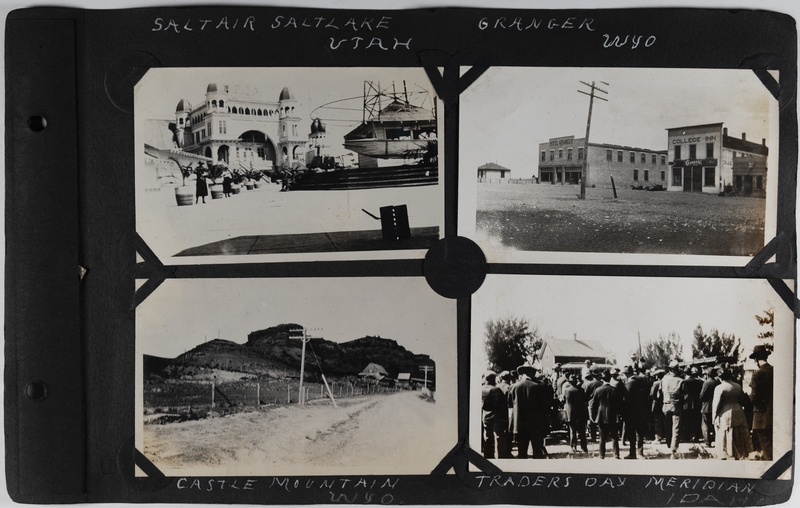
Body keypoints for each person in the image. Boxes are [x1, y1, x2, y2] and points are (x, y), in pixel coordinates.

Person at [507, 364, 551, 458]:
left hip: (520, 425)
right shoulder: (538, 387)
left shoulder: (513, 387)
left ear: (522, 373)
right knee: (537, 453)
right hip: (535, 425)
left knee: (522, 452)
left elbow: (510, 405)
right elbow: (544, 406)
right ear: (531, 373)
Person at [713, 366, 753, 460]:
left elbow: (716, 404)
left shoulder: (719, 387)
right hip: (738, 410)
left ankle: (726, 453)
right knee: (739, 430)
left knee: (727, 430)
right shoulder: (738, 386)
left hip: (725, 411)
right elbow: (742, 400)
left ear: (720, 377)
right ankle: (740, 452)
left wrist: (714, 417)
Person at [589, 370, 625, 459]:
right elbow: (620, 404)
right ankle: (616, 454)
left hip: (601, 415)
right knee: (614, 436)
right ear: (610, 379)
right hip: (613, 415)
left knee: (602, 437)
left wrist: (593, 416)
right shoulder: (614, 390)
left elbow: (593, 405)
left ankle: (601, 455)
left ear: (602, 379)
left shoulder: (597, 390)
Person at [749, 345, 773, 460]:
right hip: (774, 415)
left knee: (766, 450)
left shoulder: (757, 374)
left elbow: (754, 398)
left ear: (756, 359)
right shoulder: (774, 371)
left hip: (761, 417)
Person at [623, 365, 648, 459]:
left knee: (632, 433)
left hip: (631, 412)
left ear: (626, 374)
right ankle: (640, 452)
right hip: (640, 410)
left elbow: (627, 398)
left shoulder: (630, 383)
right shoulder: (640, 380)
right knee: (640, 433)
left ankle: (633, 453)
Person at [481, 372, 509, 459]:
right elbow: (502, 405)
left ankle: (488, 456)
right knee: (499, 438)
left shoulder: (481, 389)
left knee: (488, 437)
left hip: (485, 417)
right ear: (493, 379)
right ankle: (500, 457)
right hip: (496, 418)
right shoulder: (495, 390)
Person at [661, 360, 684, 459]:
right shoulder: (680, 381)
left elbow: (660, 392)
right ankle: (673, 450)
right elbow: (684, 396)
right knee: (676, 428)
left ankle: (669, 444)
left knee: (667, 427)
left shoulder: (664, 379)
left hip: (666, 405)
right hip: (676, 405)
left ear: (670, 369)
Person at [562, 374, 589, 455]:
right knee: (582, 431)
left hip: (571, 412)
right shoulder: (581, 390)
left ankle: (573, 447)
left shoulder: (567, 390)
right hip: (580, 412)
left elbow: (564, 400)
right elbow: (585, 400)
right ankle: (584, 447)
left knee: (572, 430)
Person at [681, 366, 704, 443]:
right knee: (696, 420)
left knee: (687, 420)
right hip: (696, 403)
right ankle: (696, 436)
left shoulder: (684, 382)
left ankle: (687, 436)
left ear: (684, 374)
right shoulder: (698, 381)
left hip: (687, 403)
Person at [699, 367, 720, 447]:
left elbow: (701, 396)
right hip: (715, 406)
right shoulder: (717, 382)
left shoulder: (706, 383)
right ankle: (716, 440)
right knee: (714, 424)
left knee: (705, 424)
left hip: (706, 407)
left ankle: (707, 442)